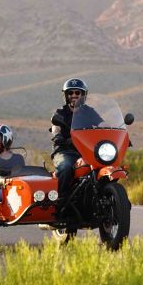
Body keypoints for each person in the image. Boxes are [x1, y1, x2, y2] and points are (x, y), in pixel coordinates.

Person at [50, 78, 89, 211]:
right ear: (66, 95)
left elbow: (102, 126)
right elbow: (55, 126)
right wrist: (57, 136)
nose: (74, 95)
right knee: (66, 167)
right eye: (70, 93)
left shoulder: (90, 112)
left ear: (83, 95)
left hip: (86, 151)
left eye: (77, 93)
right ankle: (61, 202)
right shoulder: (60, 113)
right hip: (65, 151)